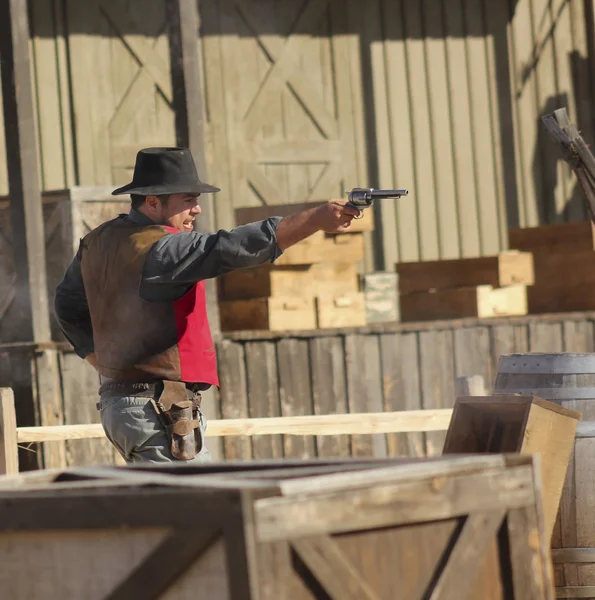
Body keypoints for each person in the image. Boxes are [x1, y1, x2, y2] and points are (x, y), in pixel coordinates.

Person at [54, 146, 360, 464]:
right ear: (153, 202)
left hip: (129, 405)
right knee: (194, 510)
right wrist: (314, 220)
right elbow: (228, 248)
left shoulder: (98, 240)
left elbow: (66, 305)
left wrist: (101, 361)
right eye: (188, 200)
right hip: (155, 408)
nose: (197, 209)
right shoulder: (163, 247)